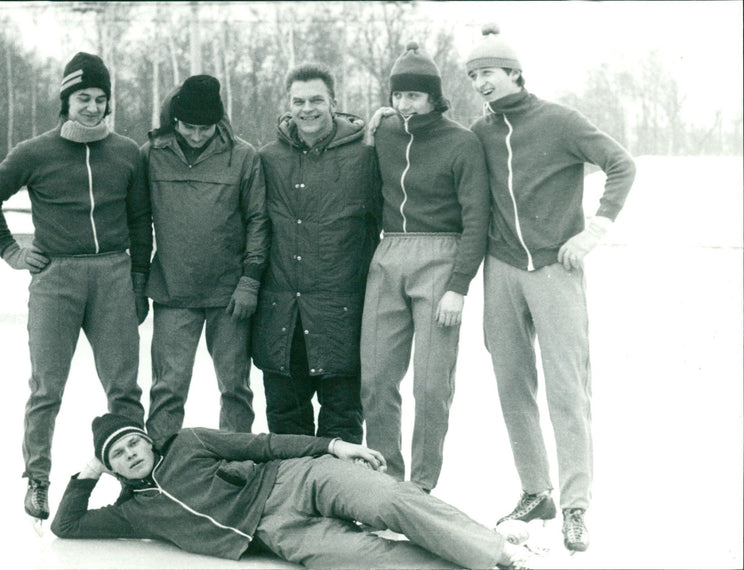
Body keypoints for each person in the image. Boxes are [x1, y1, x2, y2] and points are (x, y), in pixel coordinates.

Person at [465, 24, 636, 552]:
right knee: (511, 383)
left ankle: (576, 506)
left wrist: (593, 232)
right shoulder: (481, 132)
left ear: (513, 72)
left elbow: (621, 165)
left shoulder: (559, 121)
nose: (480, 83)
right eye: (473, 76)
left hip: (556, 267)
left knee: (567, 388)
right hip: (502, 268)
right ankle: (536, 492)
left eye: (487, 72)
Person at [0, 52, 152, 522]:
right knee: (47, 387)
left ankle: (136, 483)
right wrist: (12, 252)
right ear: (66, 100)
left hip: (113, 274)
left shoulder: (127, 151)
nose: (92, 107)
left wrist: (137, 281)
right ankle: (37, 479)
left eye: (100, 98)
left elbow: (139, 221)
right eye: (83, 98)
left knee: (124, 388)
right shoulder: (36, 152)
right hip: (57, 280)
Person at [51, 413, 536, 569]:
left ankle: (497, 553)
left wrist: (334, 445)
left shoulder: (190, 442)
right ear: (112, 469)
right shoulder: (133, 512)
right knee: (372, 559)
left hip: (295, 478)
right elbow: (66, 525)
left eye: (134, 442)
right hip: (277, 533)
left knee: (389, 501)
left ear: (149, 440)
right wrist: (88, 467)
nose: (131, 454)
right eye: (118, 454)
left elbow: (264, 444)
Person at [360, 42, 490, 493]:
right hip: (389, 252)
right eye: (397, 95)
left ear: (434, 97)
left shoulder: (462, 142)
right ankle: (385, 480)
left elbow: (477, 219)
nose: (404, 104)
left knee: (432, 385)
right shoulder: (385, 132)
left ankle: (421, 486)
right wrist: (379, 117)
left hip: (442, 257)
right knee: (375, 378)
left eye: (414, 96)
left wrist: (459, 286)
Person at [253, 63, 381, 444]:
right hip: (281, 318)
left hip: (341, 316)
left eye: (316, 100)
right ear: (288, 104)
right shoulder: (268, 158)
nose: (307, 109)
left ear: (334, 103)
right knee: (287, 429)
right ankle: (292, 502)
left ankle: (339, 502)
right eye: (298, 101)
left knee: (341, 426)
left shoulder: (365, 156)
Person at [141, 74, 267, 448]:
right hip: (172, 291)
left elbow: (258, 221)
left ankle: (236, 465)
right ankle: (158, 471)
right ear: (174, 120)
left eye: (205, 128)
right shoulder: (152, 156)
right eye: (189, 127)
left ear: (219, 122)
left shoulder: (243, 157)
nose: (197, 135)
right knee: (167, 387)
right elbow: (137, 223)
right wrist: (136, 283)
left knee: (235, 386)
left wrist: (250, 281)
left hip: (228, 296)